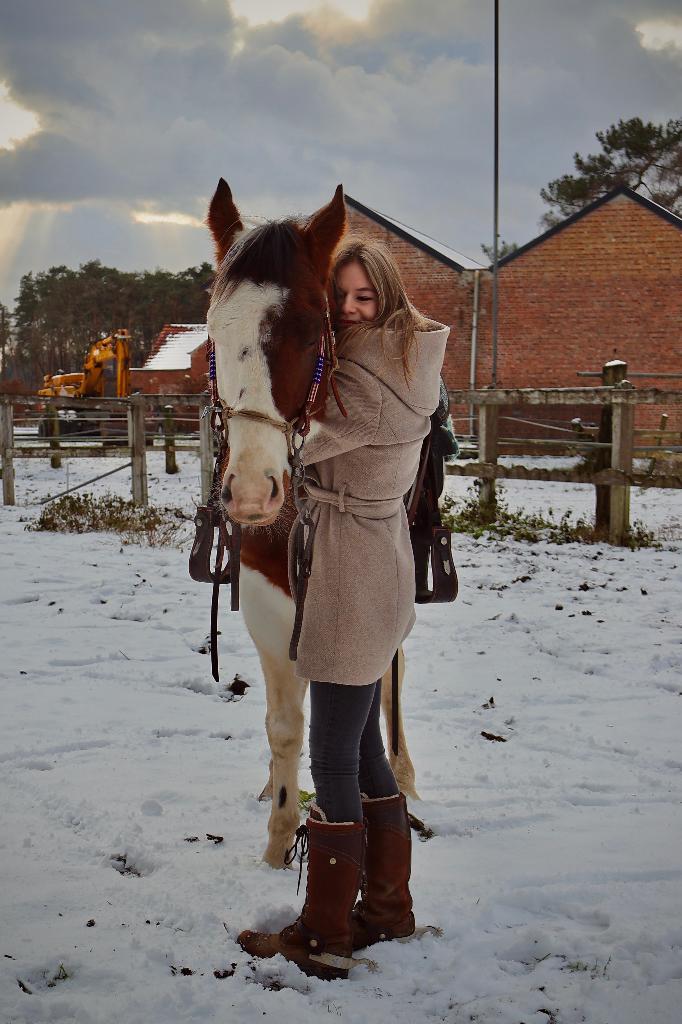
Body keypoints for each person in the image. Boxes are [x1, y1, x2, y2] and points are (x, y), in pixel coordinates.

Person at [238, 238, 450, 980]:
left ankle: (324, 933)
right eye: (344, 298)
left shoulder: (370, 379)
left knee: (330, 754)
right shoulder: (405, 359)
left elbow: (300, 445)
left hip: (353, 581)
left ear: (387, 296)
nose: (353, 310)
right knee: (362, 751)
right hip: (375, 568)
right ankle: (388, 911)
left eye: (365, 297)